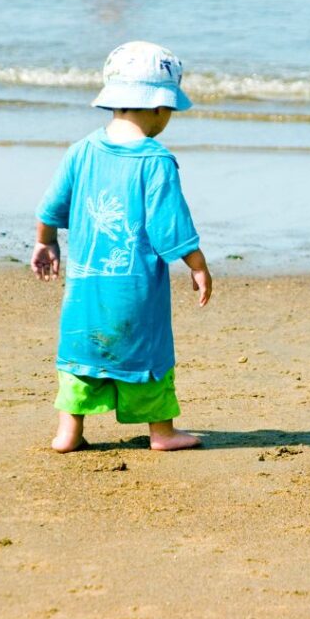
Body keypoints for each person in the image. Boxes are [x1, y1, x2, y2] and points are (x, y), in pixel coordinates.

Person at [31, 41, 211, 453]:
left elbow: (50, 207)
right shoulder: (156, 161)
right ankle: (162, 433)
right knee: (148, 360)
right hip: (137, 294)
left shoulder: (81, 151)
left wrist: (46, 243)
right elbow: (170, 227)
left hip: (85, 292)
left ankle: (69, 432)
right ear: (159, 108)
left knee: (79, 358)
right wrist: (197, 265)